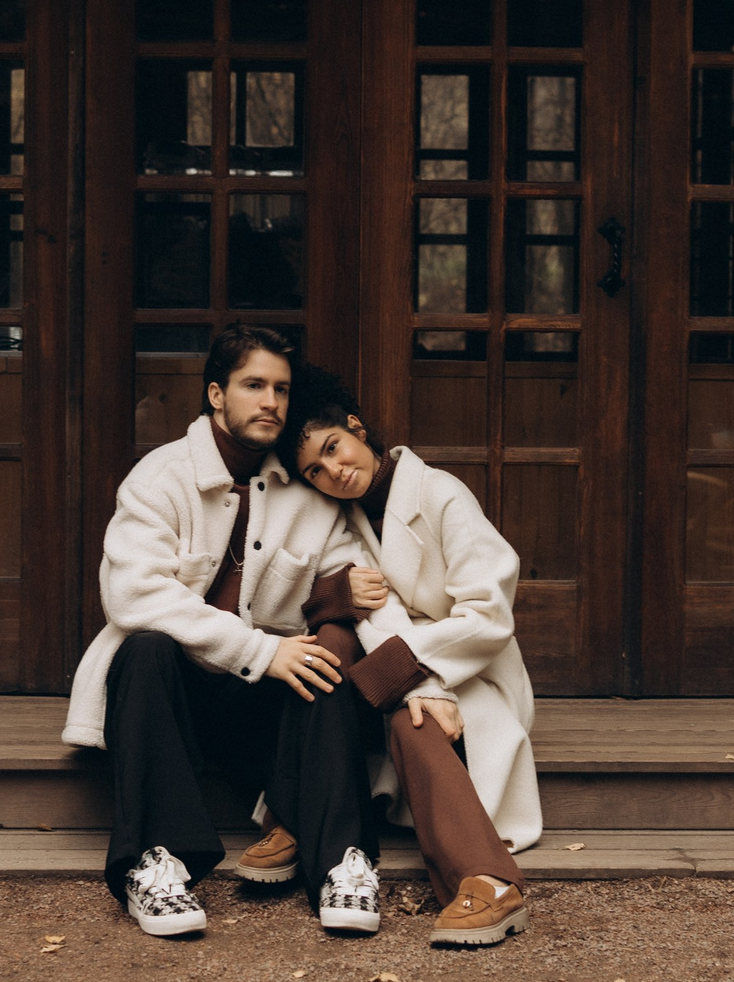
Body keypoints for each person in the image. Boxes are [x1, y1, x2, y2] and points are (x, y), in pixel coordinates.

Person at [62, 324, 410, 939]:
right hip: (173, 703)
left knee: (331, 647)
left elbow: (357, 581)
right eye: (254, 385)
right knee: (143, 649)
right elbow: (133, 593)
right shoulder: (159, 476)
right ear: (217, 394)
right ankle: (156, 863)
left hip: (264, 718)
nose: (271, 402)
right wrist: (258, 650)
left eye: (281, 388)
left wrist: (418, 678)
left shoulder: (309, 491)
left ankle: (343, 862)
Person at [274, 363, 543, 948]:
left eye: (334, 448)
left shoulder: (440, 493)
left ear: (356, 428)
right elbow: (354, 607)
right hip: (396, 664)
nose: (333, 471)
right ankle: (298, 812)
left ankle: (489, 881)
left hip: (470, 666)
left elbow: (489, 615)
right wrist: (353, 616)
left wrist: (412, 676)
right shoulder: (340, 519)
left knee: (409, 711)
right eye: (315, 470)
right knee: (339, 641)